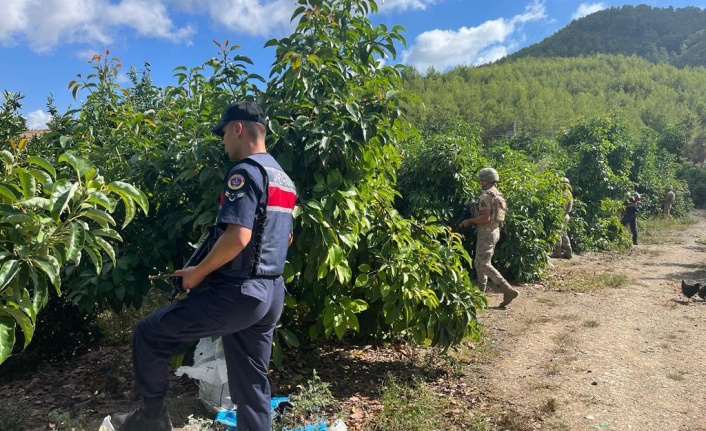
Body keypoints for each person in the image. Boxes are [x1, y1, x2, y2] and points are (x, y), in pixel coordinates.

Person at [111, 101, 297, 431]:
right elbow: (286, 240)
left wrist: (198, 272)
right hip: (270, 294)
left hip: (238, 293)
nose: (223, 140)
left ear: (238, 129)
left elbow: (238, 237)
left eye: (224, 133)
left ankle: (151, 420)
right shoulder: (283, 180)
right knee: (251, 385)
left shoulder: (245, 173)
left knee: (149, 333)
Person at [459, 168, 519, 308]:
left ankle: (507, 289)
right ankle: (480, 294)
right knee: (479, 262)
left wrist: (469, 221)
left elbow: (485, 218)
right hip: (494, 231)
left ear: (486, 180)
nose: (480, 182)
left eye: (481, 179)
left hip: (486, 232)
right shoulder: (497, 194)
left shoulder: (486, 196)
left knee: (483, 263)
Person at [551, 177, 573, 259]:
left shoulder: (564, 194)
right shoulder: (569, 193)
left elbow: (562, 207)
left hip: (562, 216)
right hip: (566, 216)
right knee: (564, 234)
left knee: (558, 234)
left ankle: (557, 252)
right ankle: (568, 252)